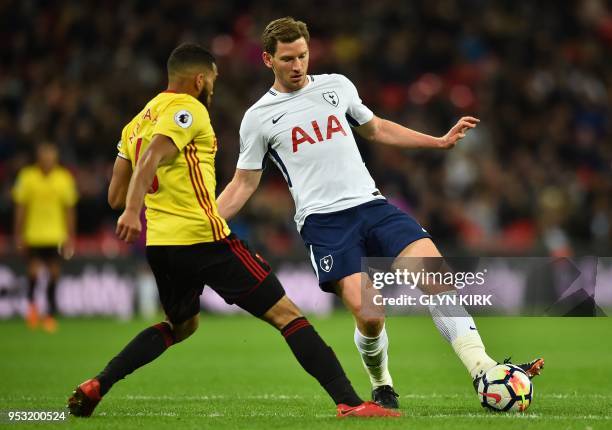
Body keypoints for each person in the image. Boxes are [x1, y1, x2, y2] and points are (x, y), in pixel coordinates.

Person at [216, 17, 544, 408]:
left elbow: (376, 128)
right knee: (371, 313)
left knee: (437, 278)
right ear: (268, 59)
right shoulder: (258, 118)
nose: (298, 65)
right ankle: (381, 382)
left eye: (302, 55)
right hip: (324, 222)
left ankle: (483, 369)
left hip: (372, 205)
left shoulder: (337, 86)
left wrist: (437, 142)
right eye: (287, 58)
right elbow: (243, 184)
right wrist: (204, 225)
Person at [67, 43, 398, 419]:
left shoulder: (135, 122)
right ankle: (351, 403)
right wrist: (131, 211)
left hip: (162, 245)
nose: (214, 86)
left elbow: (113, 194)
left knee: (180, 326)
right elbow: (152, 156)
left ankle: (99, 383)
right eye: (213, 79)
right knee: (287, 315)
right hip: (203, 238)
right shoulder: (188, 109)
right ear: (199, 78)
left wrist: (130, 205)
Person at [12, 142, 77, 333]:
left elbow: (69, 210)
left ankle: (49, 314)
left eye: (51, 158)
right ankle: (32, 308)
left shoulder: (64, 178)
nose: (48, 161)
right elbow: (20, 208)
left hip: (56, 235)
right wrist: (18, 234)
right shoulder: (27, 176)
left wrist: (70, 236)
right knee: (33, 272)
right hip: (33, 235)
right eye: (45, 157)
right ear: (38, 158)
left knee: (54, 274)